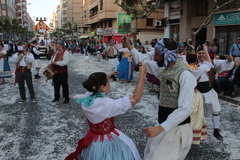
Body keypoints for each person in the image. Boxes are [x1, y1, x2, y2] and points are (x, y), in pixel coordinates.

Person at [122, 36, 196, 160]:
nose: (154, 57)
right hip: (164, 126)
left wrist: (160, 128)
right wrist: (130, 47)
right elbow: (145, 62)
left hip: (176, 130)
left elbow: (185, 108)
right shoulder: (164, 69)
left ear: (167, 55)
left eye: (157, 54)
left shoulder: (185, 75)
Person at [65, 65, 146, 160]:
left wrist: (108, 76)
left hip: (93, 142)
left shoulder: (86, 98)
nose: (109, 85)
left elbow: (95, 87)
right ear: (102, 87)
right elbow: (136, 98)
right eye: (108, 83)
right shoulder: (107, 105)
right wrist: (142, 75)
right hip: (108, 141)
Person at [196, 45, 234, 140]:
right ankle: (194, 132)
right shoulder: (192, 63)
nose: (201, 55)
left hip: (209, 91)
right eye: (199, 53)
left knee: (216, 109)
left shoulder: (213, 62)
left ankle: (216, 131)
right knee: (195, 112)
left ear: (207, 54)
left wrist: (229, 60)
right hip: (197, 93)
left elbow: (224, 64)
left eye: (203, 53)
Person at [49, 40, 70, 104]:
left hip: (62, 72)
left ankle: (66, 98)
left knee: (64, 85)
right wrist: (50, 63)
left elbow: (66, 62)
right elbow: (52, 59)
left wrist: (57, 63)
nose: (56, 46)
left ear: (61, 45)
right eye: (56, 45)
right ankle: (56, 97)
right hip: (55, 71)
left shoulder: (66, 52)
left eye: (57, 45)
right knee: (56, 85)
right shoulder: (56, 52)